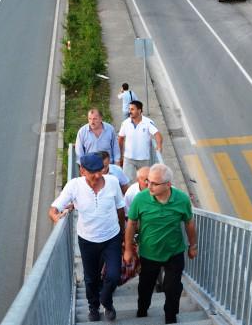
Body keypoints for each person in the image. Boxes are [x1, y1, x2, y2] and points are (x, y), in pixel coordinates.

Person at [48, 153, 125, 322]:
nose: (97, 176)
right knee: (91, 278)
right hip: (88, 240)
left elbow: (120, 208)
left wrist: (122, 234)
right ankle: (93, 307)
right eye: (92, 172)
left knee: (113, 275)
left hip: (112, 238)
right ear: (82, 170)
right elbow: (54, 208)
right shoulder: (74, 186)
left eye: (100, 171)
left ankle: (107, 301)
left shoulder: (112, 182)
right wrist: (56, 217)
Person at [124, 164, 197, 324]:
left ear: (168, 185)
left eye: (154, 183)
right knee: (145, 288)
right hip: (149, 254)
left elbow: (189, 223)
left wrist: (193, 246)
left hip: (174, 253)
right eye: (148, 181)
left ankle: (170, 318)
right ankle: (142, 311)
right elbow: (131, 224)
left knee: (172, 289)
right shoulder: (141, 199)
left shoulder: (182, 199)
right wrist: (128, 249)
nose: (149, 186)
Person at [118, 100, 163, 183]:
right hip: (129, 158)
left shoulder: (148, 122)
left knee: (144, 181)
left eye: (132, 109)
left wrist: (159, 146)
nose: (129, 111)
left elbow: (157, 134)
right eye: (129, 109)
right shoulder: (125, 123)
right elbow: (120, 138)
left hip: (143, 159)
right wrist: (120, 156)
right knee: (126, 181)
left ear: (139, 110)